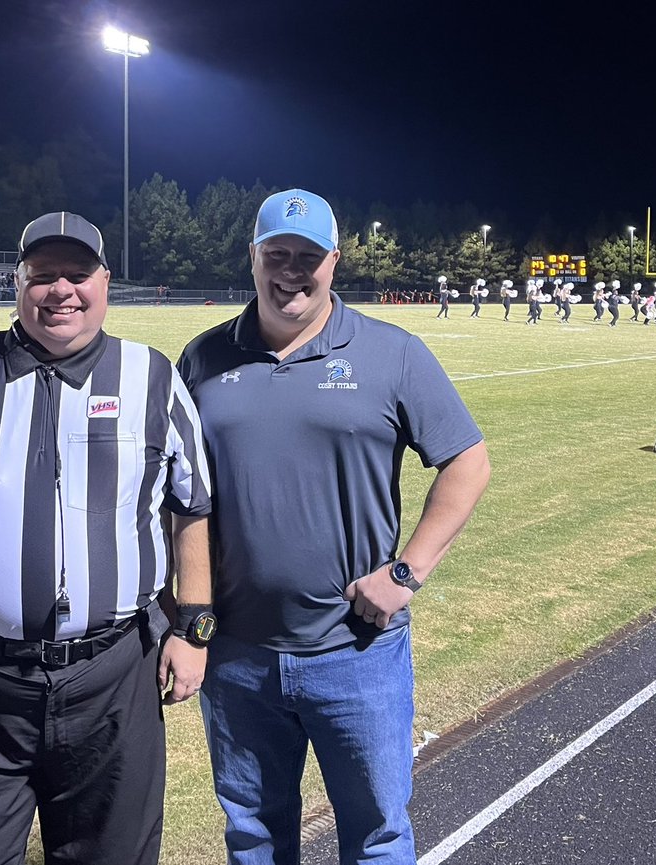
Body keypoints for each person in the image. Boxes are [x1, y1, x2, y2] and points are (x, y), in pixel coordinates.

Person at [178, 189, 491, 864]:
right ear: (253, 257)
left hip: (357, 651)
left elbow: (468, 461)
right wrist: (190, 624)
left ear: (334, 262)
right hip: (238, 655)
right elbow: (183, 500)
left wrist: (406, 573)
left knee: (377, 835)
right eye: (277, 254)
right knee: (254, 838)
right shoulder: (202, 360)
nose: (292, 271)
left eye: (308, 257)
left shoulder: (391, 352)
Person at [0, 211, 214, 865]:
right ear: (17, 282)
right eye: (43, 274)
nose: (61, 290)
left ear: (105, 282)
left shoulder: (151, 376)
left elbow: (192, 506)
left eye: (78, 274)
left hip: (113, 677)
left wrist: (195, 629)